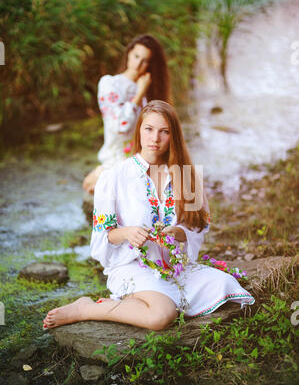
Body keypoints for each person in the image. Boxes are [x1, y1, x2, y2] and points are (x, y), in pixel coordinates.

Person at [44, 101, 255, 331]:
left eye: (164, 131)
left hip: (173, 266)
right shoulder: (114, 177)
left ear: (173, 135)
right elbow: (103, 235)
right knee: (161, 316)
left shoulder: (187, 175)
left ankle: (138, 302)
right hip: (132, 265)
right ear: (139, 130)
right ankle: (86, 308)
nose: (155, 138)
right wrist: (127, 233)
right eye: (149, 129)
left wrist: (178, 233)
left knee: (224, 284)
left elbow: (198, 228)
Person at [82, 34, 171, 194]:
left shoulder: (148, 93)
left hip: (142, 161)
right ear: (129, 53)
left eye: (145, 61)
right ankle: (102, 174)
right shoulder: (110, 84)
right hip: (116, 159)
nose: (138, 64)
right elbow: (120, 126)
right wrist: (139, 94)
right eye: (136, 56)